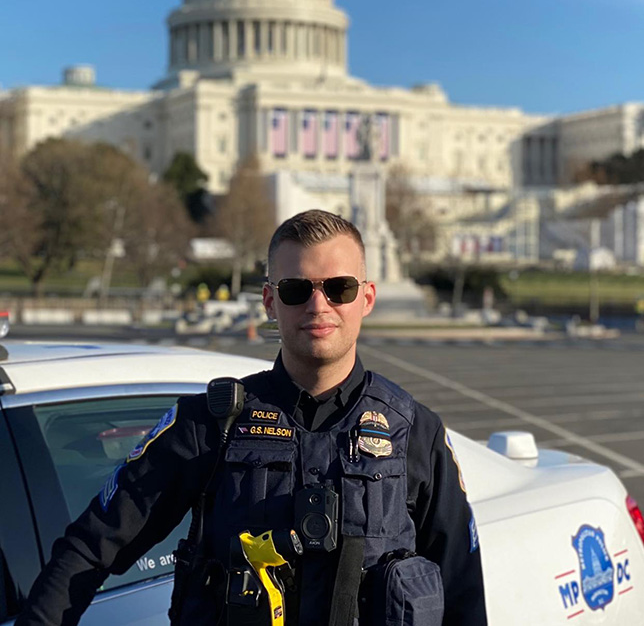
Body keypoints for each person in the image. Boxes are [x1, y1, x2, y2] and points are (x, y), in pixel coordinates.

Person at [15, 209, 487, 626]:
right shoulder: (209, 425)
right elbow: (90, 547)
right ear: (268, 301)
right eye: (296, 289)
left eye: (339, 288)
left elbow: (463, 594)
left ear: (366, 298)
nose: (318, 306)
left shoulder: (416, 434)